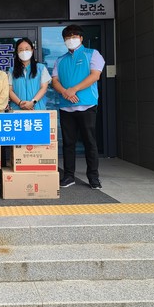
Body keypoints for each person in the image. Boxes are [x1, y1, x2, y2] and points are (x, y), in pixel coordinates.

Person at [51, 24, 105, 190]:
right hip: (66, 106)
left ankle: (93, 178)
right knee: (68, 143)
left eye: (74, 36)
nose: (70, 40)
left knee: (90, 142)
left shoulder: (92, 54)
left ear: (81, 38)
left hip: (86, 105)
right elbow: (54, 80)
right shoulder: (60, 59)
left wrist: (74, 89)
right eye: (67, 37)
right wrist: (66, 93)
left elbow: (95, 75)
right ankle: (68, 176)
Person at [8, 37, 51, 110]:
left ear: (32, 50)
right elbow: (9, 90)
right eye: (21, 50)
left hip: (37, 108)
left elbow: (44, 88)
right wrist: (20, 103)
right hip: (17, 109)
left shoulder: (41, 68)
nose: (24, 52)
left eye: (27, 49)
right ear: (17, 52)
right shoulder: (12, 70)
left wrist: (32, 102)